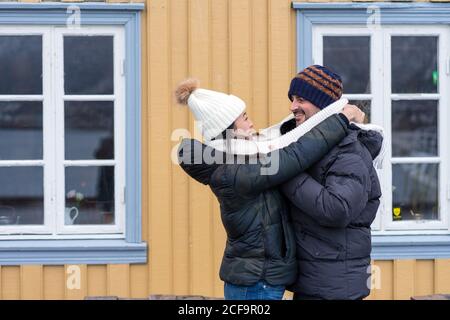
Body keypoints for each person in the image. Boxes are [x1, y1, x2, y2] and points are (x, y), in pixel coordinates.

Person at [175, 78, 365, 300]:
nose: (252, 123)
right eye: (244, 119)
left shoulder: (241, 156)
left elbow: (278, 136)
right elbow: (295, 154)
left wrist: (319, 113)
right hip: (255, 283)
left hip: (260, 280)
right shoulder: (236, 170)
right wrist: (341, 118)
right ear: (230, 130)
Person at [280, 65, 383, 300]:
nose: (292, 106)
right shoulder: (309, 146)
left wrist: (288, 170)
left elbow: (338, 208)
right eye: (292, 99)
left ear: (324, 105)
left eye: (301, 99)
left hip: (334, 289)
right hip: (313, 283)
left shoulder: (348, 151)